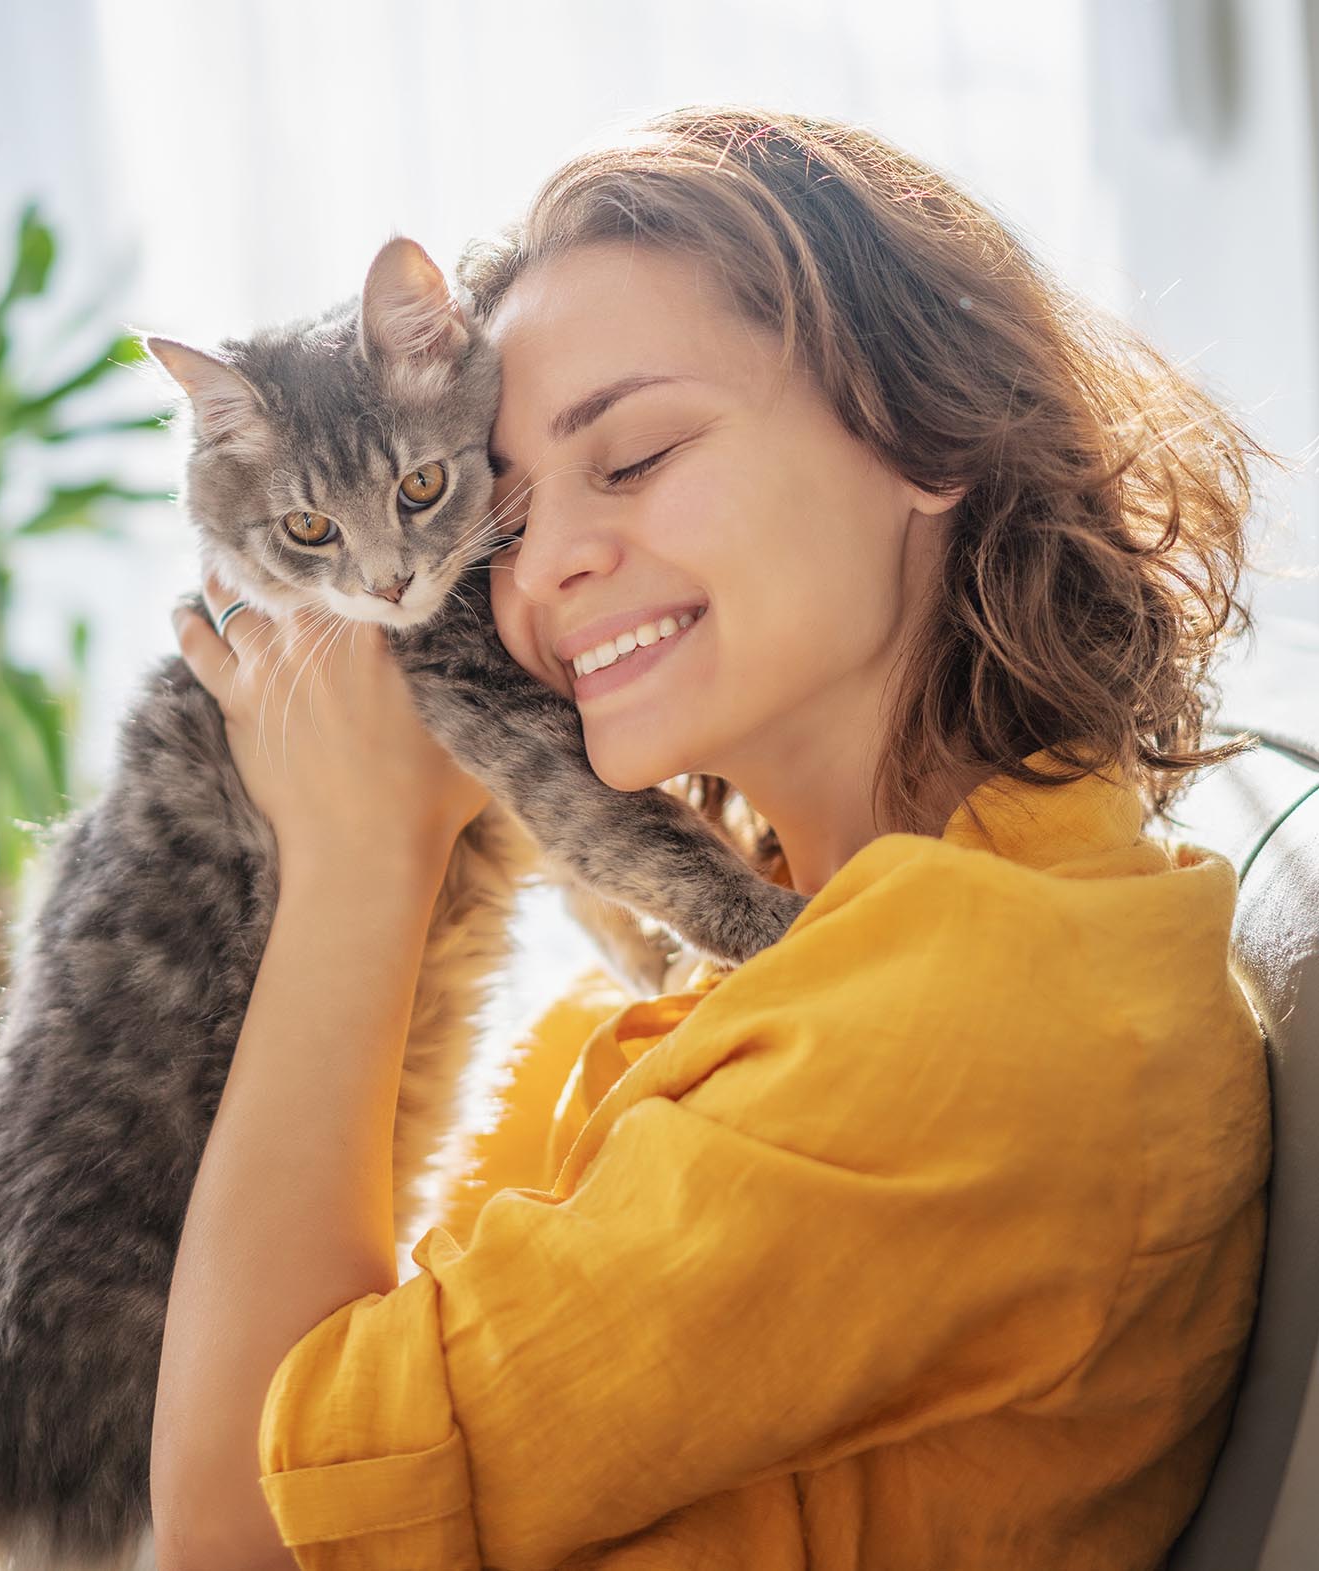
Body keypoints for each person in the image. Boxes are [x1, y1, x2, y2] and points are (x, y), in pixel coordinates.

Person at [150, 107, 1278, 1570]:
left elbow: (233, 1538)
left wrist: (358, 860)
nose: (542, 563)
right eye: (509, 503)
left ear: (923, 429)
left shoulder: (963, 1026)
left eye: (632, 458)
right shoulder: (823, 946)